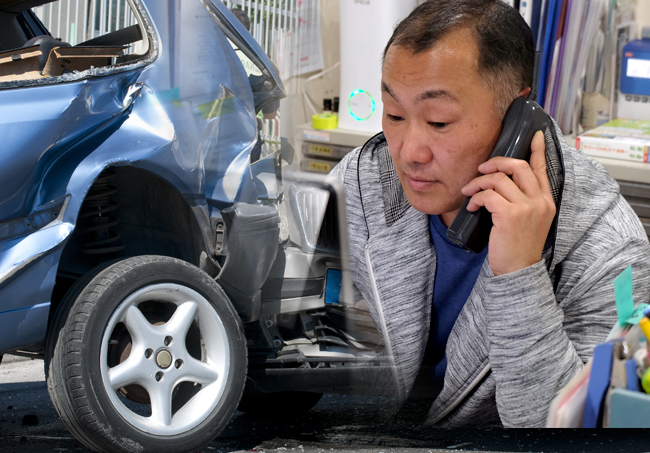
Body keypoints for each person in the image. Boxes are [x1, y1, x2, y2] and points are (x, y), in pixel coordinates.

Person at [331, 0, 650, 428]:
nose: (409, 153)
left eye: (440, 122)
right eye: (394, 114)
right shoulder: (365, 179)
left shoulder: (608, 247)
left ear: (515, 115)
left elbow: (580, 431)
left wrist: (519, 274)